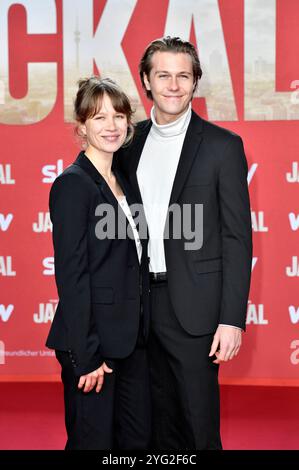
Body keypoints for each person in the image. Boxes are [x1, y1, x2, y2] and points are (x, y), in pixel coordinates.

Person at [116, 36, 252, 450]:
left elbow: (237, 237)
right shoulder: (125, 143)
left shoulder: (222, 146)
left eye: (183, 76)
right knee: (145, 425)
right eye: (163, 75)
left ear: (195, 83)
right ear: (146, 81)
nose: (173, 86)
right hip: (136, 307)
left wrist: (231, 319)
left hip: (195, 309)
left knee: (196, 423)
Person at [46, 76, 151, 450]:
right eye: (99, 117)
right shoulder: (73, 185)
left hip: (133, 341)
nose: (111, 125)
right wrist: (86, 356)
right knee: (93, 442)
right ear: (81, 126)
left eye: (119, 116)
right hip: (93, 345)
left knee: (136, 442)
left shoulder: (125, 180)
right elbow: (72, 277)